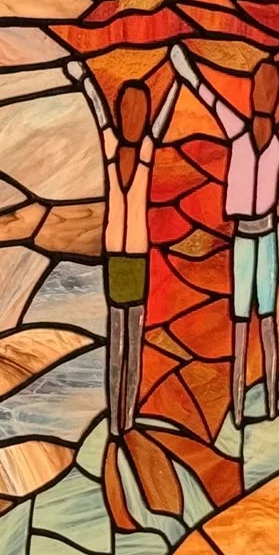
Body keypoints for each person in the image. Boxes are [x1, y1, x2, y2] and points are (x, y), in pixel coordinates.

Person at [168, 44, 279, 425]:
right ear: (253, 95)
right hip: (244, 241)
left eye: (271, 89)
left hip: (267, 238)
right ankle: (238, 407)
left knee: (266, 321)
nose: (265, 96)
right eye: (261, 89)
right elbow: (209, 98)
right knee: (239, 325)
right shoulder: (239, 132)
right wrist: (185, 69)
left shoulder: (278, 138)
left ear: (275, 95)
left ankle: (271, 405)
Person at [75, 67, 180, 434]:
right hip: (127, 258)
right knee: (125, 339)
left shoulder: (119, 150)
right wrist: (176, 84)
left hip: (125, 257)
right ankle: (123, 419)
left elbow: (101, 111)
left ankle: (124, 418)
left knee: (123, 339)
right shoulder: (127, 151)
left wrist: (85, 78)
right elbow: (105, 113)